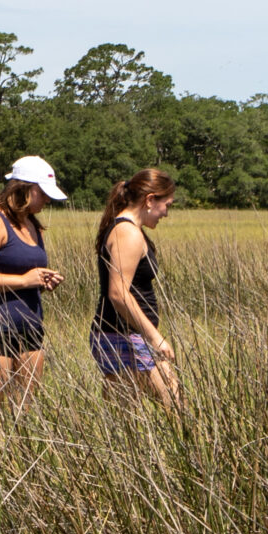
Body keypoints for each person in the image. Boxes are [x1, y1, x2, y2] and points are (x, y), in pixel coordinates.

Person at [0, 157, 66, 406]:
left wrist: (42, 280)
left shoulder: (32, 224)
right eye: (43, 193)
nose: (47, 200)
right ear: (25, 190)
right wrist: (23, 281)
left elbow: (26, 272)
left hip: (30, 330)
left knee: (24, 413)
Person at [90, 168, 178, 405]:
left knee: (125, 424)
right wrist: (154, 337)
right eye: (167, 205)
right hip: (124, 337)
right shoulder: (127, 233)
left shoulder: (129, 230)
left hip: (123, 335)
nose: (166, 214)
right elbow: (118, 293)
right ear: (150, 200)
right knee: (176, 408)